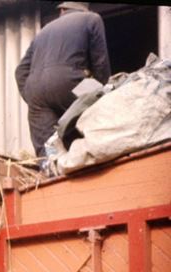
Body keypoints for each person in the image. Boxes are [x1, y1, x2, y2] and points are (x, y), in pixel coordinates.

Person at [15, 2, 111, 158]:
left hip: (36, 92)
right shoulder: (92, 19)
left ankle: (51, 172)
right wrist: (102, 94)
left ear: (62, 9)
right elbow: (100, 65)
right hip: (71, 82)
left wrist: (32, 98)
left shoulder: (43, 31)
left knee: (48, 149)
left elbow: (20, 71)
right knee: (88, 127)